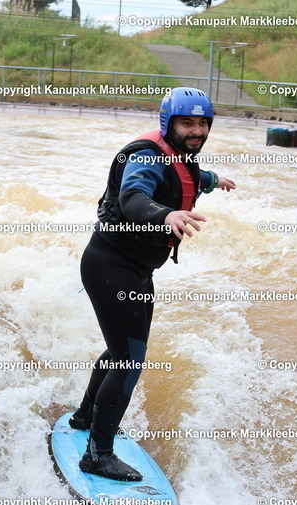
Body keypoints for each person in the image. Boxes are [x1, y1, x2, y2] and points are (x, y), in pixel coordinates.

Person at [71, 87, 236, 481]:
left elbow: (188, 176)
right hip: (111, 267)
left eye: (203, 123)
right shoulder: (144, 157)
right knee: (129, 359)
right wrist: (166, 216)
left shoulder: (178, 154)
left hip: (135, 271)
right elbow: (133, 196)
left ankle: (85, 417)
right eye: (187, 123)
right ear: (168, 124)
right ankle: (98, 455)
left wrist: (214, 180)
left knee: (123, 351)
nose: (196, 131)